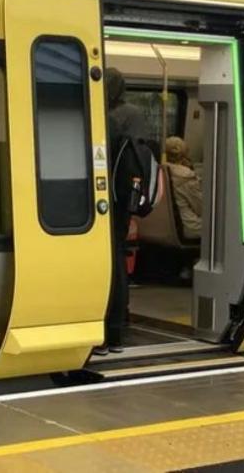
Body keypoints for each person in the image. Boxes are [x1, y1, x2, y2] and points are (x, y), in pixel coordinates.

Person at [100, 67, 150, 355]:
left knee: (108, 260)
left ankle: (106, 330)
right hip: (126, 197)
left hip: (106, 196)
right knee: (118, 256)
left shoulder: (108, 117)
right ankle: (118, 329)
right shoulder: (136, 116)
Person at [165, 136, 202, 240]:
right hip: (190, 226)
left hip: (167, 226)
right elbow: (202, 208)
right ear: (184, 155)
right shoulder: (186, 177)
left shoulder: (161, 171)